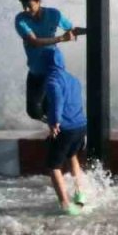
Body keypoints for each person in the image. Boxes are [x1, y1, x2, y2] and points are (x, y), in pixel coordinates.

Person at [14, 0, 83, 123]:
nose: (27, 10)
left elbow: (72, 30)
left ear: (39, 1)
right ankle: (58, 126)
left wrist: (92, 30)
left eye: (30, 6)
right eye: (24, 6)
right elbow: (33, 41)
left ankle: (66, 128)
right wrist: (61, 39)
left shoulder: (54, 14)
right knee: (34, 112)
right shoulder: (20, 19)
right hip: (35, 71)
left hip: (53, 69)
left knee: (53, 107)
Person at [40, 48, 89, 215]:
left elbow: (57, 99)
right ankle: (80, 194)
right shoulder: (73, 79)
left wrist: (54, 122)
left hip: (65, 128)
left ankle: (66, 204)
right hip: (80, 125)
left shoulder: (53, 80)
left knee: (53, 166)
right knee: (72, 156)